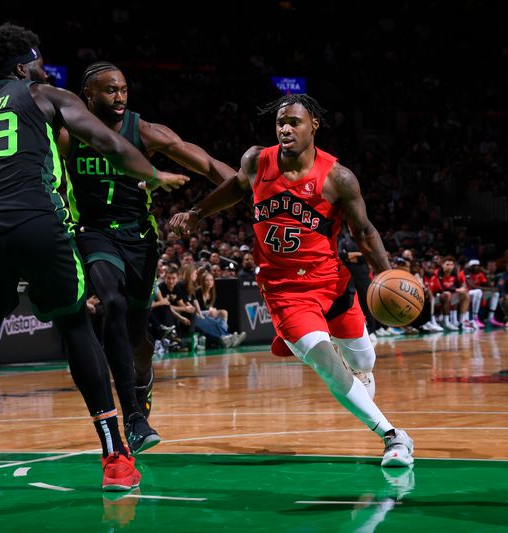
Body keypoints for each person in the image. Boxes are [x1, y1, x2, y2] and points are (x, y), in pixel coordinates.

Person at [0, 23, 190, 515]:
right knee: (74, 325)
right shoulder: (46, 95)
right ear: (23, 65)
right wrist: (155, 174)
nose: (42, 68)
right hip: (38, 223)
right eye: (38, 61)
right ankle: (116, 457)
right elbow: (106, 141)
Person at [169, 94, 416, 468]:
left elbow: (364, 232)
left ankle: (357, 369)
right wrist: (196, 213)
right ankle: (393, 436)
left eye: (294, 122)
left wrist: (386, 273)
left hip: (331, 282)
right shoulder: (256, 160)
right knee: (324, 361)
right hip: (284, 290)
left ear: (313, 125)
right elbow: (236, 187)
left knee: (364, 359)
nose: (285, 128)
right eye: (280, 122)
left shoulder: (338, 178)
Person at [56, 62, 236, 440]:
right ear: (88, 95)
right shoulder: (68, 134)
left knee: (138, 339)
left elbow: (203, 164)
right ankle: (134, 419)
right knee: (111, 303)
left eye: (123, 89)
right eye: (110, 90)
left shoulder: (146, 131)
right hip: (94, 233)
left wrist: (245, 186)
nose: (119, 96)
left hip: (139, 239)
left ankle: (142, 381)